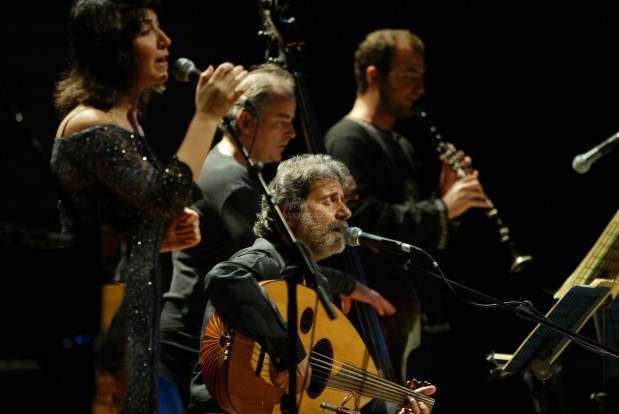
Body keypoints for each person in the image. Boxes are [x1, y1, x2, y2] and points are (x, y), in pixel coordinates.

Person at [50, 0, 249, 413]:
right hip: (101, 321)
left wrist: (156, 238)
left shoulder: (127, 121)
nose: (165, 41)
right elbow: (165, 196)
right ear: (113, 47)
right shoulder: (89, 123)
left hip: (133, 315)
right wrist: (207, 115)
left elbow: (117, 228)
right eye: (146, 31)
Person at [188, 153, 430, 413]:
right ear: (289, 212)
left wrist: (394, 409)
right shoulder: (263, 262)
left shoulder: (316, 284)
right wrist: (289, 351)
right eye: (329, 200)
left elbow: (330, 394)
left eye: (343, 201)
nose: (345, 211)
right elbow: (224, 278)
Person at [323, 29, 491, 388]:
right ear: (374, 75)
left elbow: (421, 227)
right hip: (379, 315)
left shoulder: (401, 143)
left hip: (411, 308)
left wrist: (448, 201)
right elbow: (364, 222)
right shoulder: (348, 139)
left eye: (421, 76)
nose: (419, 87)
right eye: (408, 75)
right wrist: (442, 208)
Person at [159, 62, 299, 408]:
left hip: (207, 336)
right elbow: (274, 260)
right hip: (191, 343)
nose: (293, 132)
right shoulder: (228, 181)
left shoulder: (241, 173)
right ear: (245, 122)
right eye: (283, 121)